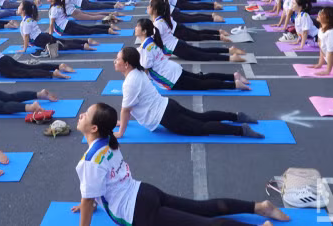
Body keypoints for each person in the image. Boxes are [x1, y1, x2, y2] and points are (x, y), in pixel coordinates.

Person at [73, 102, 287, 226]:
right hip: (145, 192)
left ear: (93, 128)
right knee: (201, 208)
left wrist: (88, 206)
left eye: (86, 115)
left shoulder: (90, 160)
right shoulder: (109, 143)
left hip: (138, 211)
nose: (81, 114)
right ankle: (259, 207)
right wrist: (91, 202)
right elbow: (97, 190)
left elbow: (89, 196)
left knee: (205, 224)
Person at [113, 47, 263, 140]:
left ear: (126, 64)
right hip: (168, 105)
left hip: (166, 115)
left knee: (201, 128)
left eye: (117, 59)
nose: (115, 61)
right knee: (201, 117)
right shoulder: (138, 72)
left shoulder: (130, 82)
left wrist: (120, 132)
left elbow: (126, 109)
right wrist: (121, 121)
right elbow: (130, 106)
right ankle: (236, 116)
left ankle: (240, 130)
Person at [135, 20, 249, 91]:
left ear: (144, 31)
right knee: (201, 77)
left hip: (171, 78)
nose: (135, 28)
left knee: (202, 84)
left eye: (137, 26)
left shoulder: (145, 48)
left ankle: (234, 84)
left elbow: (145, 69)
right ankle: (233, 77)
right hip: (173, 69)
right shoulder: (151, 42)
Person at [0, 15, 73, 79]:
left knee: (26, 73)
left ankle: (52, 74)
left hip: (1, 64)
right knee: (29, 67)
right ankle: (58, 66)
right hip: (4, 59)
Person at [149, 0, 245, 62]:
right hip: (178, 44)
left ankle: (231, 56)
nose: (147, 8)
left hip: (178, 48)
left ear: (155, 10)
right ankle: (229, 50)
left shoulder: (158, 24)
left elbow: (153, 43)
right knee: (202, 50)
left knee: (204, 55)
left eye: (149, 6)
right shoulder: (160, 21)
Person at [18, 1, 98, 58]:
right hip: (42, 36)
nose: (18, 8)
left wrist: (24, 48)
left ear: (23, 11)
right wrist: (26, 44)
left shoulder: (25, 22)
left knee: (63, 46)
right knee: (63, 42)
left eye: (19, 7)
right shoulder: (28, 19)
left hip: (41, 39)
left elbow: (26, 36)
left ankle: (83, 46)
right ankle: (86, 41)